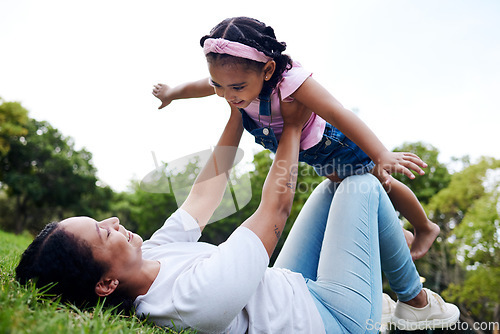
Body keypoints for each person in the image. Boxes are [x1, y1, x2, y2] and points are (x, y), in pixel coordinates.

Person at [16, 99, 459, 333]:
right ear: (106, 284)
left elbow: (206, 193)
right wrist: (290, 125)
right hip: (334, 323)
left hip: (290, 288)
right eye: (101, 232)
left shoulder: (152, 252)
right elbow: (273, 213)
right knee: (361, 182)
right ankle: (416, 304)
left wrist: (234, 111)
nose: (112, 222)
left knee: (335, 183)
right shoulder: (188, 302)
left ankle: (398, 273)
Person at [153, 16, 440, 260]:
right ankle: (399, 232)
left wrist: (381, 154)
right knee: (348, 188)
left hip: (333, 143)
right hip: (308, 152)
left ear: (267, 69)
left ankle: (424, 226)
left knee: (380, 179)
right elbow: (197, 86)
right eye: (219, 85)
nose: (228, 95)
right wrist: (171, 94)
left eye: (237, 87)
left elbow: (337, 112)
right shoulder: (232, 81)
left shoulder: (290, 81)